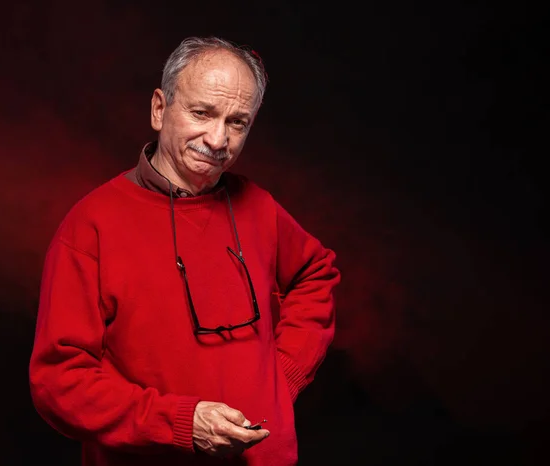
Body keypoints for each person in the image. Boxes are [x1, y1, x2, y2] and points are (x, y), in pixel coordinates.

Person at [29, 36, 341, 466]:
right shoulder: (90, 226)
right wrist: (178, 422)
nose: (217, 139)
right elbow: (58, 382)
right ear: (160, 109)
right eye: (202, 113)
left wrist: (279, 377)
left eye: (238, 122)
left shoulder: (259, 207)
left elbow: (316, 272)